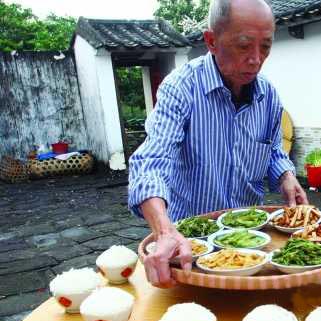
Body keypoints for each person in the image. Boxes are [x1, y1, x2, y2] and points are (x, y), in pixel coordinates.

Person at [128, 0, 308, 288]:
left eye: (265, 46)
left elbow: (273, 150)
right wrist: (164, 231)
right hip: (191, 249)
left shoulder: (269, 96)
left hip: (252, 244)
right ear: (211, 41)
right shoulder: (181, 88)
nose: (256, 59)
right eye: (244, 45)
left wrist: (286, 176)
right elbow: (152, 161)